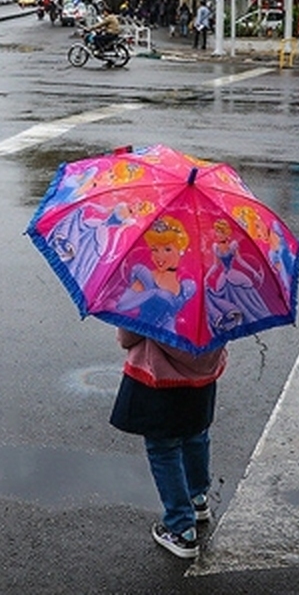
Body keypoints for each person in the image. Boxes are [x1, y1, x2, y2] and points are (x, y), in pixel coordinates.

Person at [109, 216, 223, 561]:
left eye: (167, 248)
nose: (159, 256)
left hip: (158, 383)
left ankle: (181, 528)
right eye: (155, 249)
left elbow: (127, 337)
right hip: (201, 380)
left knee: (164, 447)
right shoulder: (206, 284)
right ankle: (198, 497)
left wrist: (139, 299)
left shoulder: (149, 290)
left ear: (180, 249)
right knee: (194, 434)